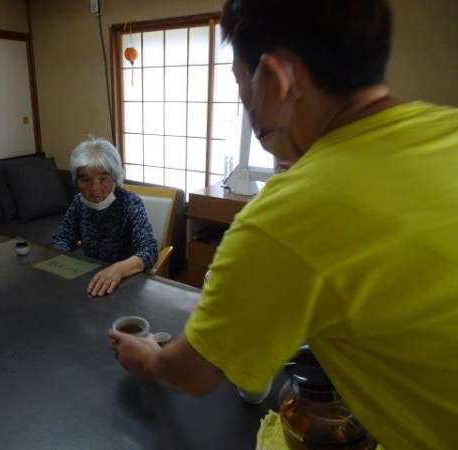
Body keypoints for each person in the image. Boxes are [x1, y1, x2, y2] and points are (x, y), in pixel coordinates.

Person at [109, 0, 458, 448]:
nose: (247, 106)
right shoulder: (447, 128)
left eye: (241, 86)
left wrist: (149, 359)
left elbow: (195, 373)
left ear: (277, 80)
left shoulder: (288, 215)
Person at [52, 137, 157, 297]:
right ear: (76, 181)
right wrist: (62, 260)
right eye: (86, 180)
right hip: (90, 279)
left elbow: (149, 249)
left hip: (125, 281)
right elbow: (62, 238)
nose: (95, 188)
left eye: (103, 178)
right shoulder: (79, 203)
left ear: (114, 176)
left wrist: (118, 269)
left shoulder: (130, 203)